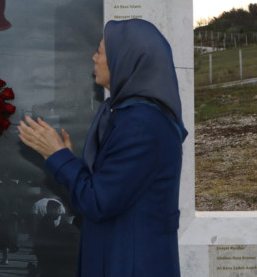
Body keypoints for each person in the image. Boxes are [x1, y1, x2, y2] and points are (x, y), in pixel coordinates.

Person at [18, 18, 188, 277]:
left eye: (100, 52)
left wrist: (58, 156)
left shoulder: (142, 123)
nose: (93, 58)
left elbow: (98, 201)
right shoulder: (133, 116)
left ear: (125, 59)